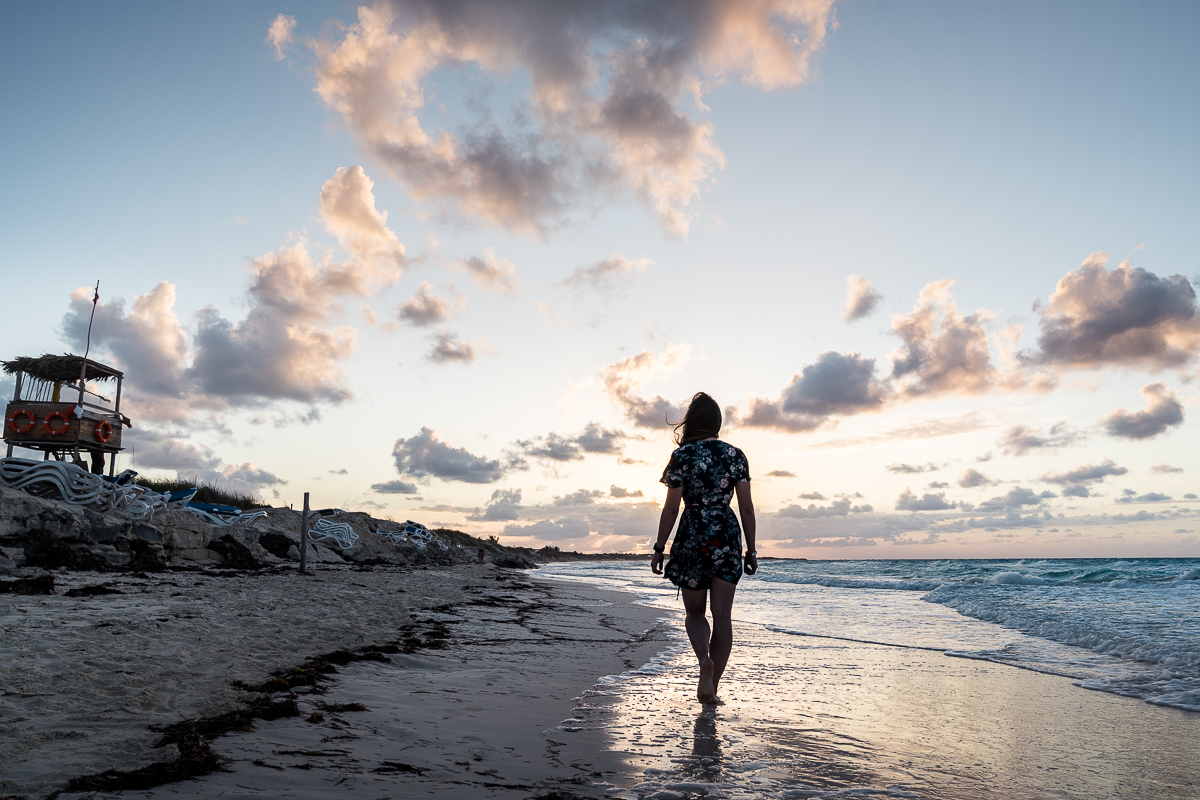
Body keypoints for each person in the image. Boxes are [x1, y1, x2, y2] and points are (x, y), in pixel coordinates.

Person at [650, 392, 757, 705]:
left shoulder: (682, 456)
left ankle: (703, 662)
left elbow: (670, 509)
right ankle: (713, 687)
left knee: (695, 613)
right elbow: (747, 508)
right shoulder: (735, 455)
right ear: (717, 422)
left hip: (693, 533)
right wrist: (751, 550)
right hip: (726, 533)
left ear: (691, 422)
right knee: (723, 617)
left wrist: (659, 547)